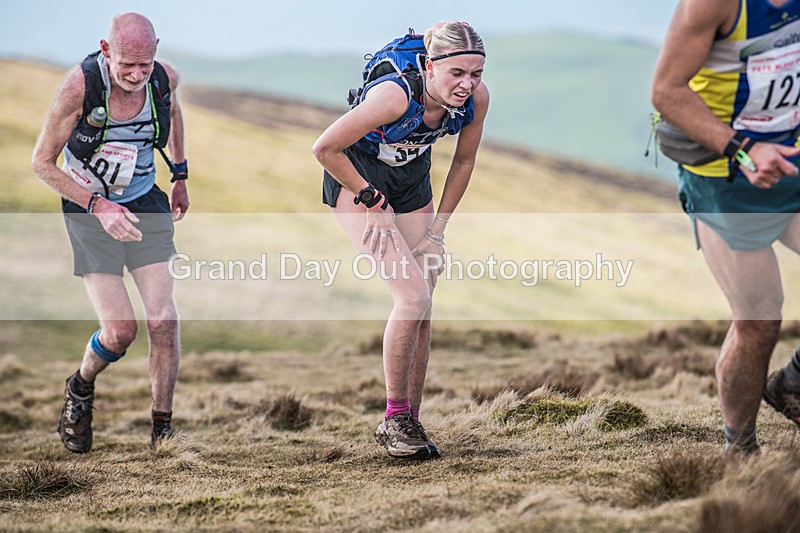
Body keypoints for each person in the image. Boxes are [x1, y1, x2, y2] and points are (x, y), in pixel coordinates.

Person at [312, 21, 488, 460]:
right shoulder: (394, 96)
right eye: (456, 74)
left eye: (476, 74)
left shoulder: (476, 101)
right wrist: (372, 201)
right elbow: (325, 148)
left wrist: (437, 231)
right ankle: (392, 420)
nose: (467, 85)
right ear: (430, 66)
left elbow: (464, 162)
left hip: (411, 181)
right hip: (357, 177)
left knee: (425, 297)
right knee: (410, 297)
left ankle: (411, 421)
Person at [31, 12, 189, 453]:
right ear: (106, 50)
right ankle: (80, 387)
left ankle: (163, 431)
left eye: (145, 64)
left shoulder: (163, 79)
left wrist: (179, 174)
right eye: (127, 65)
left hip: (144, 203)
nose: (137, 75)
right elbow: (41, 163)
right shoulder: (79, 87)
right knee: (121, 331)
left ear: (156, 50)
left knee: (164, 319)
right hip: (88, 209)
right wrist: (99, 206)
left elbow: (173, 114)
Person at [652, 0, 800, 455]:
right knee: (759, 318)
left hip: (791, 157)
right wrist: (744, 149)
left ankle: (793, 382)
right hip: (724, 174)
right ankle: (741, 451)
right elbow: (666, 91)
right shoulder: (715, 3)